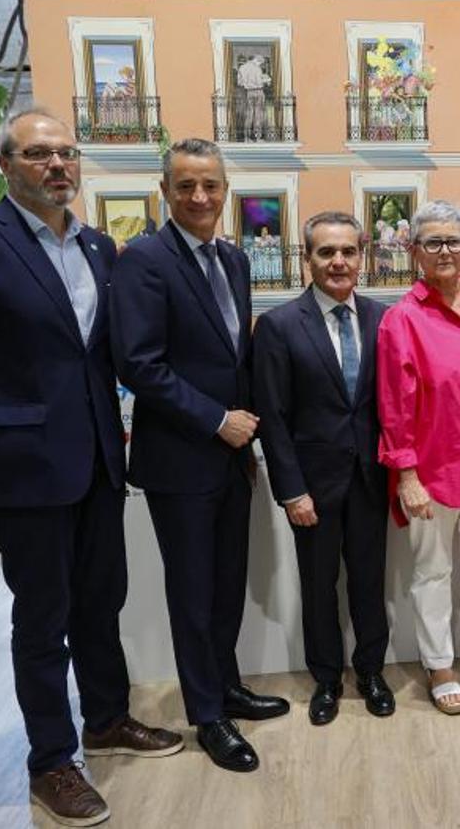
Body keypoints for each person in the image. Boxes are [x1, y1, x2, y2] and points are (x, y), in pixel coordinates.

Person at [0, 108, 182, 827]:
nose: (57, 165)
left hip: (96, 459)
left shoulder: (98, 247)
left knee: (104, 601)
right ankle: (51, 762)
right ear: (6, 165)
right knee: (44, 619)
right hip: (20, 466)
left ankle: (105, 719)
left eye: (66, 153)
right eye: (39, 154)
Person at [110, 138, 288, 774]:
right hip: (181, 459)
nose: (200, 197)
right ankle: (207, 715)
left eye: (210, 184)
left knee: (225, 584)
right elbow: (138, 363)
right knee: (191, 591)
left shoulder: (234, 260)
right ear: (166, 190)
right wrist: (217, 420)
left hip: (231, 459)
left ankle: (228, 684)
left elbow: (230, 356)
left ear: (225, 188)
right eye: (185, 185)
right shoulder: (145, 262)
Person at [253, 211, 394, 726]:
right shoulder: (278, 325)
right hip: (311, 487)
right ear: (307, 259)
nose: (338, 262)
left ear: (362, 256)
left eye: (348, 251)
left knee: (369, 582)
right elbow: (273, 416)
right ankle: (327, 679)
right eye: (326, 252)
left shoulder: (385, 320)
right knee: (318, 586)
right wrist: (291, 491)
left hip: (372, 480)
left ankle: (372, 671)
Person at [376, 199, 460, 715]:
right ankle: (439, 664)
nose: (445, 251)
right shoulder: (401, 320)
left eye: (454, 240)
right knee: (432, 572)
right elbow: (393, 405)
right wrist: (406, 474)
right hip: (429, 472)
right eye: (432, 242)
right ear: (414, 252)